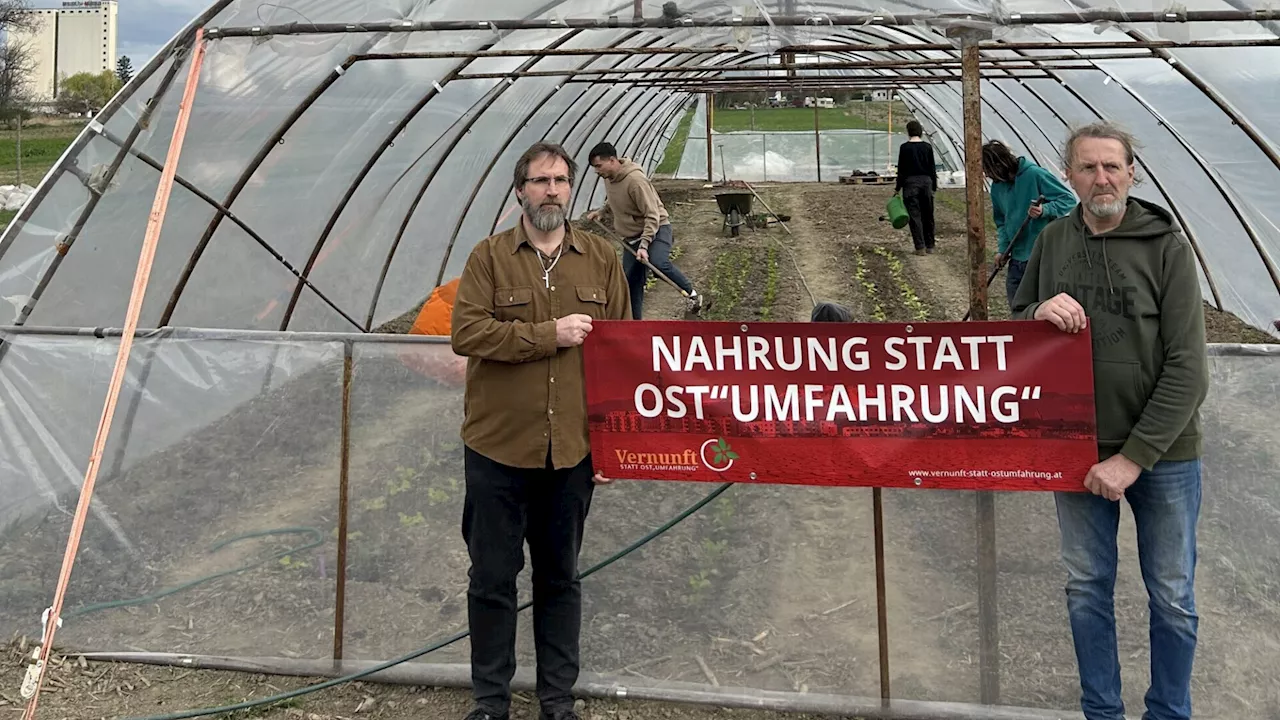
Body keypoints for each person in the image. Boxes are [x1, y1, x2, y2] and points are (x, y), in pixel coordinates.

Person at [1012, 122, 1209, 720]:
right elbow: (1018, 325)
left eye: (1112, 167)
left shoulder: (1166, 247)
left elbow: (1188, 368)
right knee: (1086, 588)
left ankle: (1168, 712)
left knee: (1172, 596)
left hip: (1163, 456)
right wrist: (1038, 307)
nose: (1102, 178)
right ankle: (1102, 710)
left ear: (1131, 173)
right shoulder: (1052, 242)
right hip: (1075, 447)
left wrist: (1131, 459)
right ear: (1068, 176)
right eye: (1089, 167)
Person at [450, 141, 631, 720]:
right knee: (493, 579)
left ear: (571, 189)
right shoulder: (489, 258)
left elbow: (623, 354)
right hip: (498, 450)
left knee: (560, 578)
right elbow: (468, 334)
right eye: (540, 180)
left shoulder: (601, 259)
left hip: (572, 452)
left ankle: (557, 700)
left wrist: (614, 443)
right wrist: (544, 334)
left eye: (560, 180)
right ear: (519, 190)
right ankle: (490, 701)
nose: (551, 190)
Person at [584, 141, 701, 318]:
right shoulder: (610, 178)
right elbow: (615, 198)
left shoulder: (635, 181)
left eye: (599, 166)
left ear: (613, 160)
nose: (597, 171)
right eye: (594, 167)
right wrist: (601, 211)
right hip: (632, 236)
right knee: (630, 282)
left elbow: (652, 214)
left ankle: (692, 294)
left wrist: (644, 245)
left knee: (658, 263)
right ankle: (635, 324)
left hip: (657, 228)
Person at [983, 139, 1078, 308]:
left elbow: (1068, 199)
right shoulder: (997, 188)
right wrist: (1002, 250)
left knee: (1042, 306)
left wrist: (1045, 210)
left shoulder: (1034, 174)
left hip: (1041, 255)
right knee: (1017, 306)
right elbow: (1002, 222)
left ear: (999, 164)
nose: (987, 176)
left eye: (988, 170)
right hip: (1017, 256)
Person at [893, 120, 938, 255]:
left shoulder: (904, 148)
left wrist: (897, 188)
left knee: (914, 215)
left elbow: (901, 170)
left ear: (908, 132)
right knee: (928, 215)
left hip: (910, 184)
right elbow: (932, 168)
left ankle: (920, 247)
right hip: (926, 183)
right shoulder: (927, 147)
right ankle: (930, 245)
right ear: (920, 132)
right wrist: (934, 186)